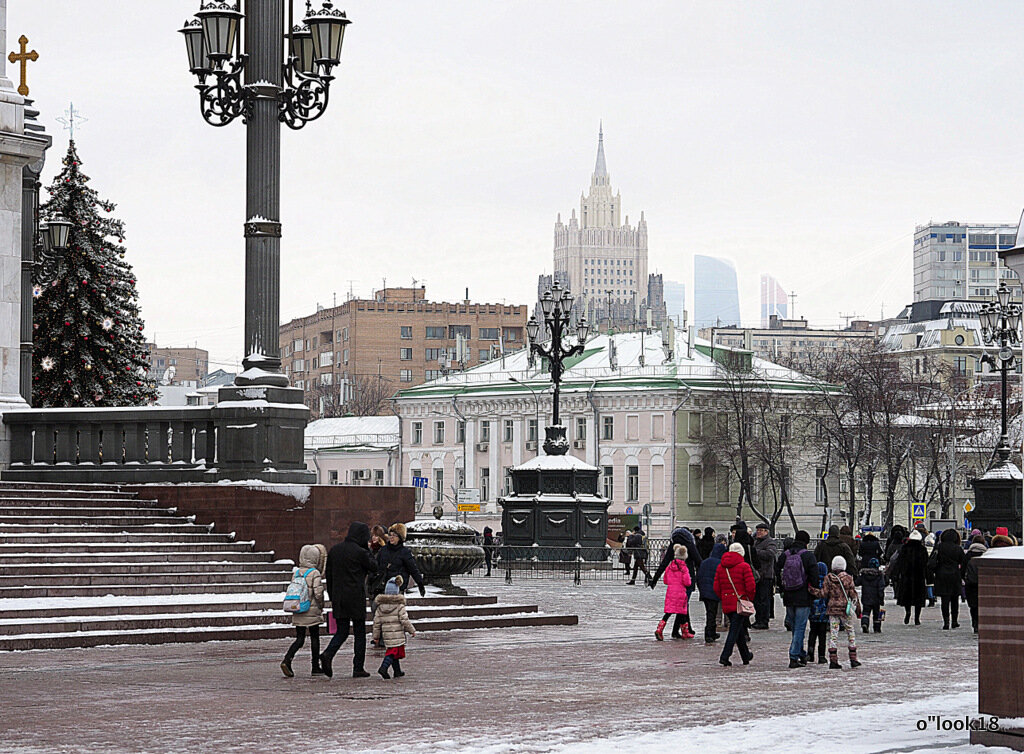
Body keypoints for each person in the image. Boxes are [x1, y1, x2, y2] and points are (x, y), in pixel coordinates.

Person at [320, 521, 379, 679]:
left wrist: (333, 596)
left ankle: (328, 653)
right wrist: (369, 550)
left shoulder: (335, 550)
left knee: (342, 631)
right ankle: (358, 668)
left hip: (339, 597)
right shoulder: (360, 552)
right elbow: (375, 567)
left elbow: (329, 576)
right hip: (355, 597)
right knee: (359, 632)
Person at [281, 543, 327, 678]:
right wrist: (320, 605)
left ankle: (287, 660)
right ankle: (315, 666)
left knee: (299, 639)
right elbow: (318, 593)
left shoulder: (297, 573)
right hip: (311, 610)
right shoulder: (314, 573)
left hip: (299, 608)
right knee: (314, 638)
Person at [775, 530, 819, 668]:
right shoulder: (808, 556)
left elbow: (777, 571)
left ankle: (801, 653)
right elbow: (815, 576)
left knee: (795, 627)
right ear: (806, 542)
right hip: (803, 596)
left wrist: (782, 589)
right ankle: (793, 656)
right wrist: (814, 590)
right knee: (800, 627)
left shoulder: (785, 555)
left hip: (789, 595)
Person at [810, 555, 862, 669]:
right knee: (850, 632)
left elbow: (823, 594)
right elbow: (854, 595)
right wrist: (858, 610)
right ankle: (853, 658)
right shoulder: (848, 578)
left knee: (834, 633)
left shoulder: (828, 578)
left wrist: (812, 590)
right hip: (845, 610)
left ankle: (833, 659)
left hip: (832, 609)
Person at [714, 542, 756, 667]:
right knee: (734, 630)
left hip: (727, 602)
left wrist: (723, 597)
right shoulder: (744, 566)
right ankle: (725, 655)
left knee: (739, 629)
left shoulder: (721, 567)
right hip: (740, 601)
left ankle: (745, 656)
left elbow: (716, 587)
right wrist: (749, 599)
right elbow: (751, 586)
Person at [373, 576, 417, 679]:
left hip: (387, 635)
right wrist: (412, 630)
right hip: (397, 634)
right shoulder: (399, 606)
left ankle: (397, 671)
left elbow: (376, 623)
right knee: (393, 653)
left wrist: (376, 637)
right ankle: (383, 668)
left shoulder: (380, 607)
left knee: (394, 651)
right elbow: (404, 620)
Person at [377, 523, 428, 597]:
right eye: (390, 535)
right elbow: (376, 565)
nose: (391, 537)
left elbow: (413, 569)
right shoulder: (383, 550)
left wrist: (420, 584)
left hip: (397, 587)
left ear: (400, 537)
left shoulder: (405, 552)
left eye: (394, 535)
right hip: (382, 587)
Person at [656, 544, 693, 640]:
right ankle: (685, 632)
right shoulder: (684, 568)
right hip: (681, 593)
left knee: (668, 612)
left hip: (671, 592)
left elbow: (665, 581)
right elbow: (687, 582)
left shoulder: (670, 566)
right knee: (682, 612)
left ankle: (660, 628)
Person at [931, 528, 966, 630]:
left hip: (941, 575)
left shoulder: (939, 547)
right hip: (955, 575)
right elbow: (963, 562)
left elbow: (933, 560)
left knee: (945, 600)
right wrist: (961, 574)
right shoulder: (958, 548)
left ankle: (946, 621)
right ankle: (954, 621)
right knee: (955, 599)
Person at [891, 529, 928, 626]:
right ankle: (917, 618)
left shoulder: (905, 548)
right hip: (919, 577)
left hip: (906, 576)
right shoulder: (922, 549)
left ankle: (908, 612)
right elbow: (926, 564)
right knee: (918, 599)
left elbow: (899, 562)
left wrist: (897, 573)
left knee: (907, 597)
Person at [696, 540, 725, 643]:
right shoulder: (720, 563)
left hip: (704, 591)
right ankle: (709, 634)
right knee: (712, 613)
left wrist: (701, 589)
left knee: (709, 612)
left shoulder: (705, 562)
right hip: (714, 592)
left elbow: (698, 576)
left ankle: (711, 632)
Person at [751, 523, 778, 630]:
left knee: (764, 599)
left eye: (761, 530)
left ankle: (764, 621)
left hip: (766, 575)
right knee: (757, 599)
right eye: (757, 530)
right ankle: (758, 619)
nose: (758, 532)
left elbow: (770, 554)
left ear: (766, 532)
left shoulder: (770, 542)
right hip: (756, 575)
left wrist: (755, 552)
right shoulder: (755, 542)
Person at [961, 535, 987, 633]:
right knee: (982, 604)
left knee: (973, 605)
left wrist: (964, 579)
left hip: (970, 583)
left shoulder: (968, 555)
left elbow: (962, 569)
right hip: (983, 583)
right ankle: (981, 622)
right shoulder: (986, 554)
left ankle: (975, 623)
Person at [807, 562, 829, 664]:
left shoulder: (812, 582)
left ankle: (810, 651)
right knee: (822, 634)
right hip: (824, 613)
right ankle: (821, 655)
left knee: (813, 632)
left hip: (813, 611)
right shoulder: (827, 583)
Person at [858, 558, 885, 633]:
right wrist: (881, 598)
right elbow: (881, 587)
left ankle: (864, 623)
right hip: (876, 599)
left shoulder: (864, 574)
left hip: (866, 597)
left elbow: (857, 582)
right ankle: (877, 628)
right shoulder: (879, 575)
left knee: (866, 612)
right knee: (878, 614)